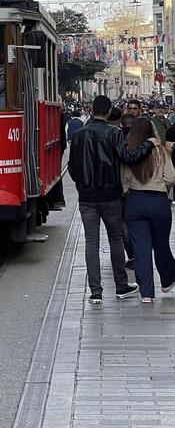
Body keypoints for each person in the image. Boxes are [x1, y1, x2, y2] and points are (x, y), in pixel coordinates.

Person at [68, 94, 155, 304]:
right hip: (110, 196)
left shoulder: (79, 135)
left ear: (92, 109)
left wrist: (82, 184)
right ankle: (120, 285)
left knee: (92, 243)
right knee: (115, 239)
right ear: (108, 112)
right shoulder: (114, 133)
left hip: (87, 196)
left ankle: (95, 291)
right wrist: (148, 145)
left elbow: (71, 166)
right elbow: (129, 157)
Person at [121, 117, 175, 303]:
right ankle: (167, 280)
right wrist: (161, 186)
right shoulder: (160, 151)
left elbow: (124, 181)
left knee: (141, 249)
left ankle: (146, 294)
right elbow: (171, 177)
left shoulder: (130, 153)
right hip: (158, 202)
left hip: (135, 202)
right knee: (161, 243)